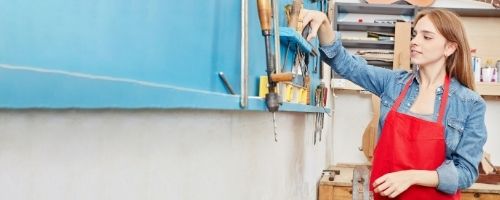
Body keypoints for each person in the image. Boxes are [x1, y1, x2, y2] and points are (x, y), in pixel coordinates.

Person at [301, 8, 487, 199]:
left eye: (427, 37)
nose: (414, 41)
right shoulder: (393, 83)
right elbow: (346, 64)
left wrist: (411, 177)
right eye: (415, 35)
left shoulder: (470, 104)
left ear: (450, 48)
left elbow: (466, 172)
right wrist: (324, 23)